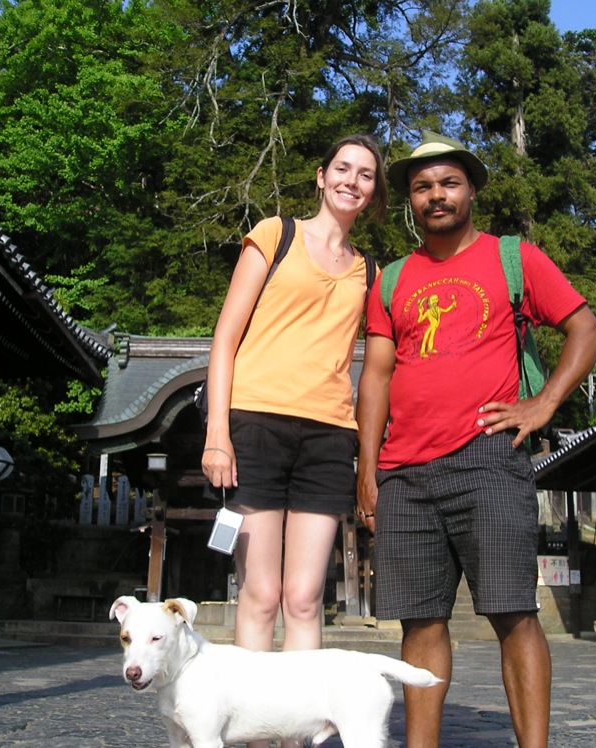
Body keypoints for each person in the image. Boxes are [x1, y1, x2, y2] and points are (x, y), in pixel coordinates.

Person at [356, 131, 596, 748]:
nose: (435, 195)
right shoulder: (390, 280)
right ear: (410, 200)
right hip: (404, 472)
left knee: (512, 611)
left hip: (489, 459)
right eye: (421, 187)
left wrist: (542, 404)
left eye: (448, 183)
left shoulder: (512, 258)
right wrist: (366, 472)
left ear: (470, 190)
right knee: (420, 620)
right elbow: (377, 376)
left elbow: (586, 328)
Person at [201, 134, 388, 748]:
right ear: (320, 176)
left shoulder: (370, 271)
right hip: (255, 422)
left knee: (305, 599)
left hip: (331, 433)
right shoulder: (275, 234)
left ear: (373, 190)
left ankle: (297, 736)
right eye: (342, 169)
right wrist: (217, 435)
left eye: (365, 174)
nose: (351, 181)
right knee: (260, 594)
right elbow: (225, 337)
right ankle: (255, 733)